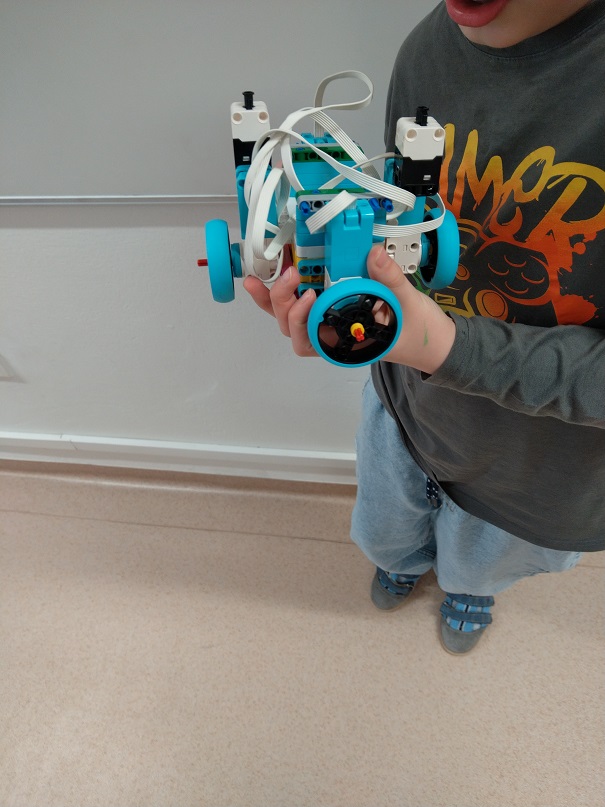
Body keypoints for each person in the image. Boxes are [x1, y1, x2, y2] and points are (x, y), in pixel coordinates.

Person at [244, 0, 605, 654]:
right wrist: (330, 286)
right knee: (385, 527)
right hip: (406, 410)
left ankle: (468, 590)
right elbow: (400, 211)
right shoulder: (431, 48)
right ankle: (401, 564)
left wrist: (446, 346)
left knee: (482, 561)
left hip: (538, 471)